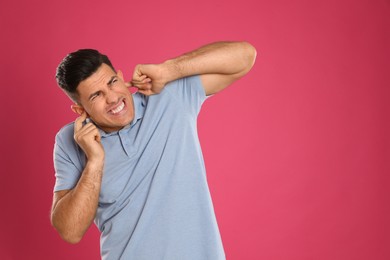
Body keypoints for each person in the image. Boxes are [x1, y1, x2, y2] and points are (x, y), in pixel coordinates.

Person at [51, 41, 256, 260]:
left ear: (120, 76)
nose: (112, 98)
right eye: (96, 96)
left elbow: (244, 56)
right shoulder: (70, 141)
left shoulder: (168, 97)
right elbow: (70, 231)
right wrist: (94, 161)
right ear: (80, 110)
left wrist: (169, 69)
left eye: (112, 82)